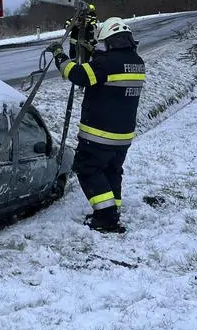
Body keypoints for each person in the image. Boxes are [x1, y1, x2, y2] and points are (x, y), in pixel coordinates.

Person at [48, 17, 146, 233]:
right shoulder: (137, 62)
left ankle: (105, 217)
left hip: (99, 134)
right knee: (112, 171)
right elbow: (106, 71)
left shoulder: (106, 63)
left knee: (88, 169)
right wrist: (95, 50)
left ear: (110, 41)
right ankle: (113, 209)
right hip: (123, 135)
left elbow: (78, 74)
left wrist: (59, 56)